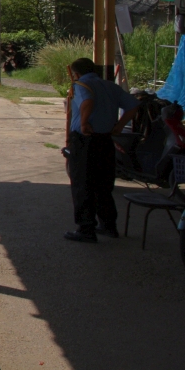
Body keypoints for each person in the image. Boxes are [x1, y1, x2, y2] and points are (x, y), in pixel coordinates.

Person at [64, 57, 140, 243]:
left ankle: (86, 229)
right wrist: (120, 126)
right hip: (105, 139)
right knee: (103, 185)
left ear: (76, 72)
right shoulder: (110, 86)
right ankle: (108, 225)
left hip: (85, 140)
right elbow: (133, 105)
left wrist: (83, 123)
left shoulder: (81, 85)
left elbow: (87, 102)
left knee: (83, 184)